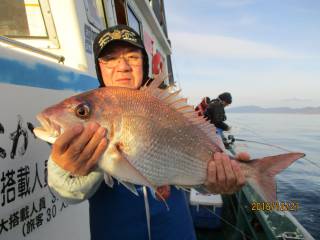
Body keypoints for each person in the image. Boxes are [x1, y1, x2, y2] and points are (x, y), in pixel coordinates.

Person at [48, 25, 247, 240]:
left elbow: (199, 178)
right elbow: (67, 193)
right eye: (111, 58)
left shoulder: (167, 108)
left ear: (143, 62)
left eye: (132, 56)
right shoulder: (88, 113)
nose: (123, 66)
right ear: (99, 66)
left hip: (176, 232)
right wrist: (63, 171)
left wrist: (216, 181)